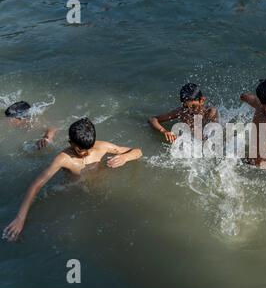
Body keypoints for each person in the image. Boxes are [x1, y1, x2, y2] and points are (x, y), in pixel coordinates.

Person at [2, 118, 143, 242]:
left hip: (100, 186)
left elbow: (138, 151)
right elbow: (36, 185)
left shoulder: (101, 146)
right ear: (71, 143)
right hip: (75, 187)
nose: (86, 153)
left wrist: (125, 157)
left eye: (89, 148)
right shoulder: (63, 159)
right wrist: (20, 218)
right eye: (81, 150)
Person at [149, 83, 218, 143]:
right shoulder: (182, 112)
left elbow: (213, 137)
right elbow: (152, 119)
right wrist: (164, 131)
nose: (190, 111)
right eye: (186, 107)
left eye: (193, 106)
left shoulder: (210, 112)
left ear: (202, 100)